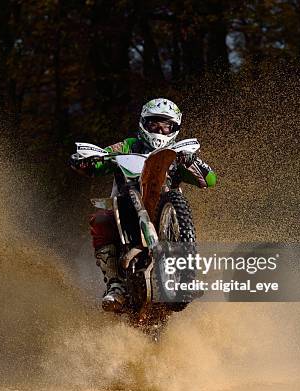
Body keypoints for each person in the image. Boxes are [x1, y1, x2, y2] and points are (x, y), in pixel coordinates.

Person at [70, 98, 217, 311]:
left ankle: (186, 273)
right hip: (125, 208)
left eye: (166, 126)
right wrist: (87, 159)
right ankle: (115, 284)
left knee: (186, 221)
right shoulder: (128, 145)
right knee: (101, 219)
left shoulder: (176, 152)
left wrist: (192, 161)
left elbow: (209, 180)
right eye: (154, 124)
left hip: (166, 212)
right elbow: (98, 160)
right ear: (143, 123)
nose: (159, 129)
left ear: (174, 128)